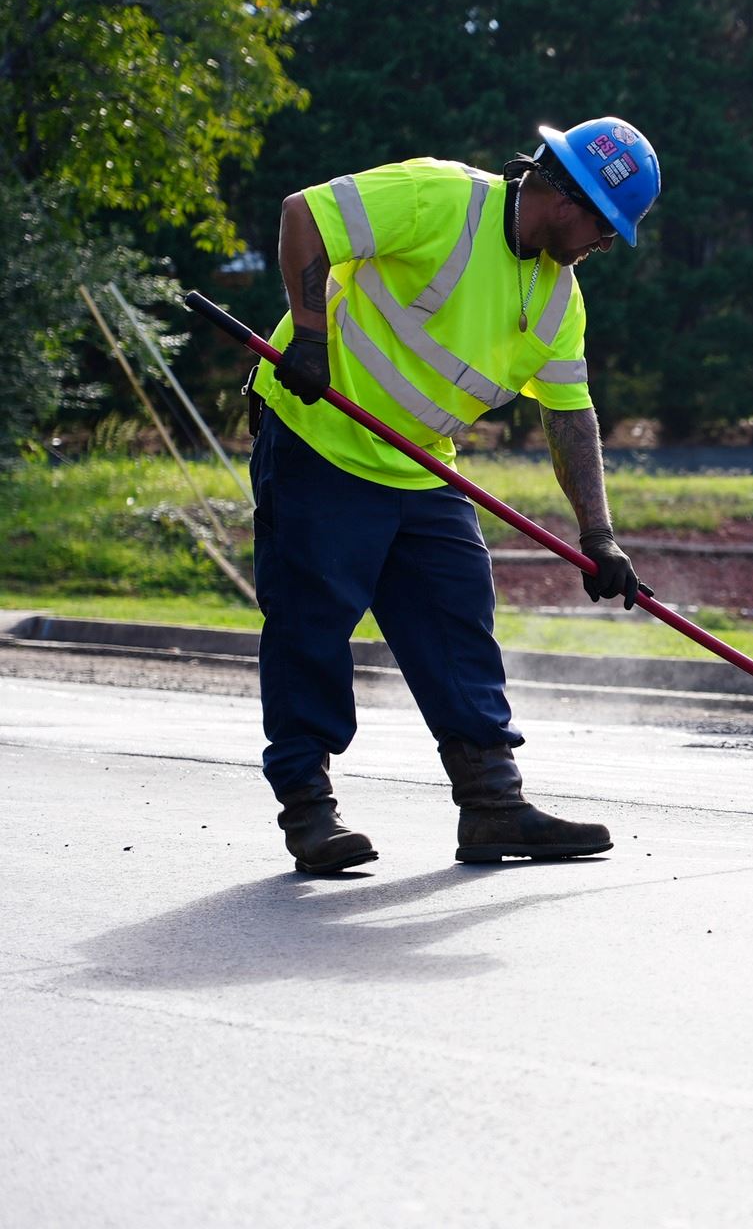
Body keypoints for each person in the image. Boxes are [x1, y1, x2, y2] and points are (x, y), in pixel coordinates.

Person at [249, 117, 661, 873]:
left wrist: (599, 536)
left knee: (457, 616)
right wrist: (308, 337)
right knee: (311, 624)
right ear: (566, 199)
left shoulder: (559, 299)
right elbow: (303, 214)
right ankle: (308, 809)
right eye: (606, 227)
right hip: (320, 440)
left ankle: (493, 805)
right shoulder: (440, 196)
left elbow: (569, 415)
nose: (606, 245)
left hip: (421, 467)